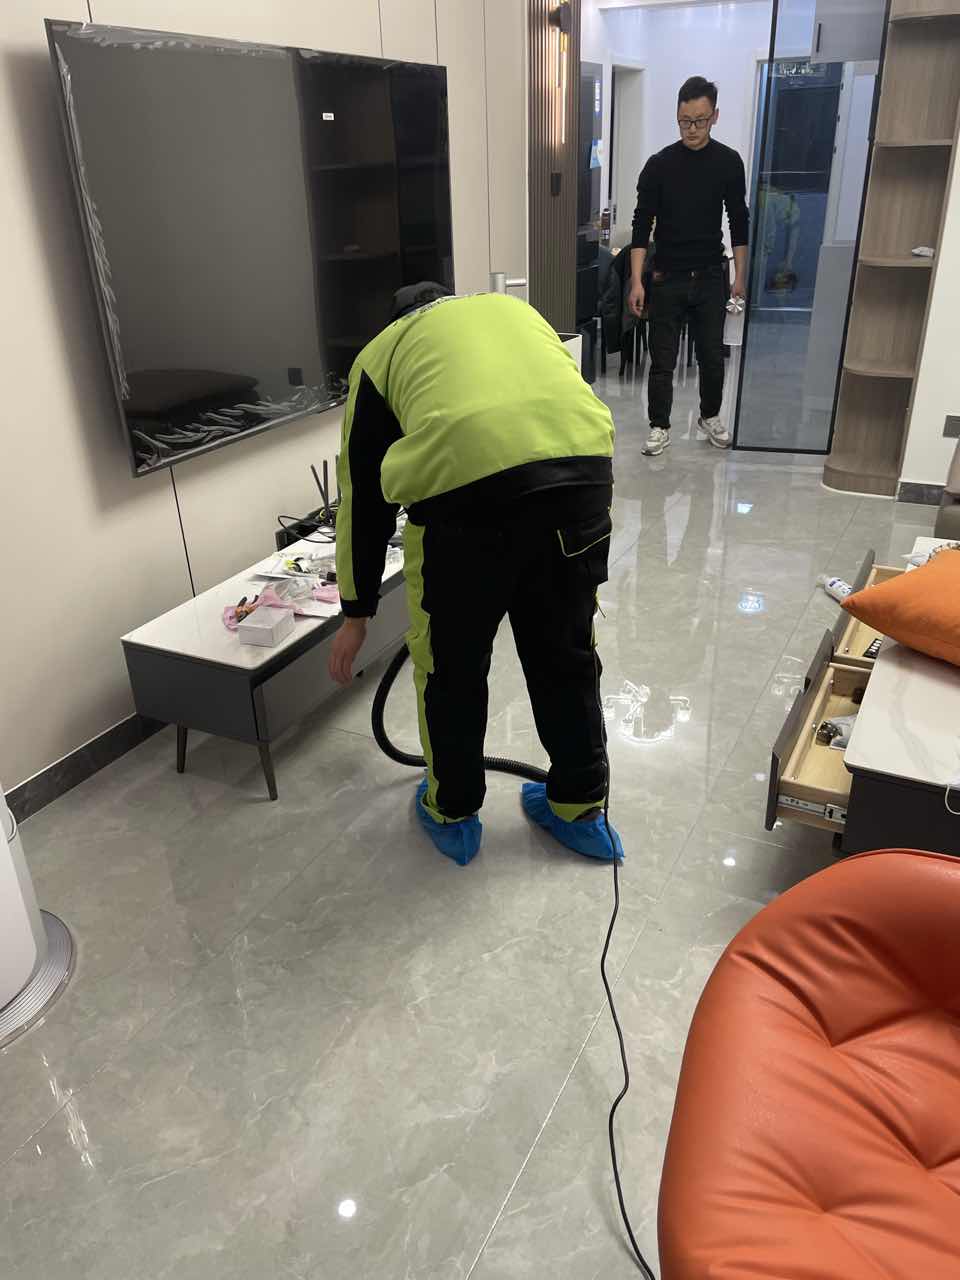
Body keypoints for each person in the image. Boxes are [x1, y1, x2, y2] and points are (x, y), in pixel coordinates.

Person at [327, 282, 624, 868]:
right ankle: (580, 810)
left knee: (452, 671)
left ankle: (453, 811)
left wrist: (356, 613)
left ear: (397, 319)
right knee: (567, 657)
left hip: (462, 519)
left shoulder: (380, 354)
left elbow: (362, 499)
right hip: (580, 486)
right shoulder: (514, 311)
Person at [628, 76, 749, 457]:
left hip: (711, 275)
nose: (692, 129)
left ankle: (709, 416)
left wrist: (740, 276)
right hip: (667, 276)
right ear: (677, 117)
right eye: (684, 121)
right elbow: (641, 225)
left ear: (715, 117)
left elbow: (739, 221)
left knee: (712, 356)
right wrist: (636, 281)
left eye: (699, 120)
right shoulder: (659, 165)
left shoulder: (728, 162)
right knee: (662, 359)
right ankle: (659, 425)